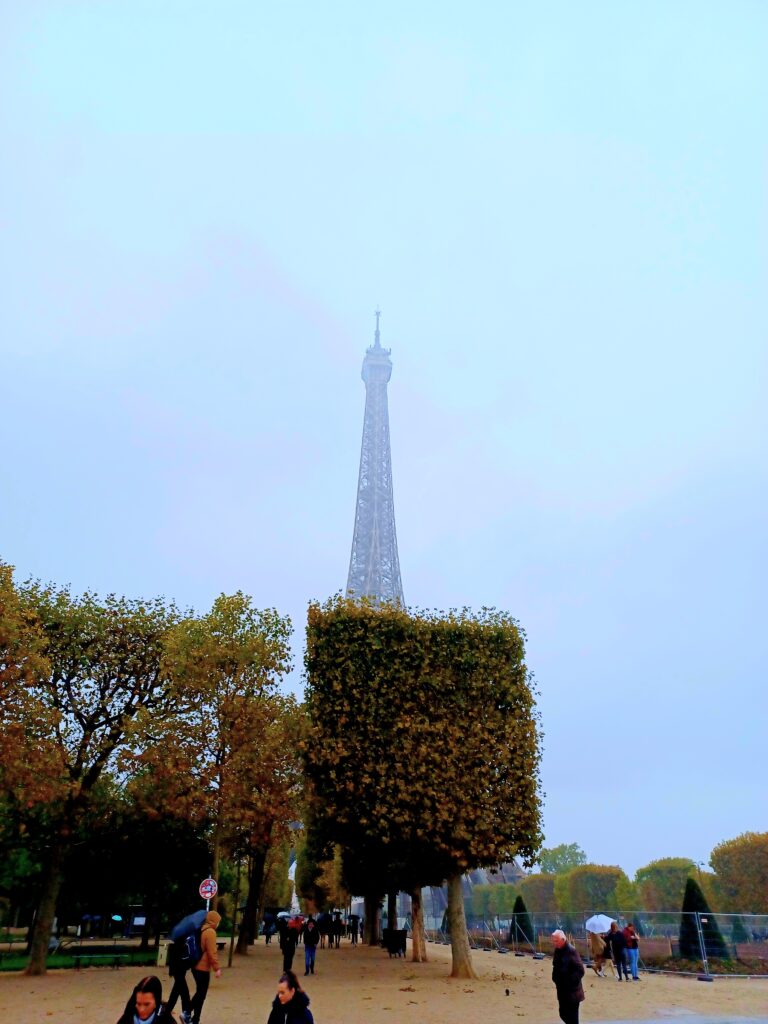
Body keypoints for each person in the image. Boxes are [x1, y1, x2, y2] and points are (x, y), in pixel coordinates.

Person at [190, 910, 222, 1024]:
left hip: (195, 965)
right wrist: (217, 968)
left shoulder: (202, 929)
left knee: (200, 993)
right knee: (201, 994)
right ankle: (187, 1011)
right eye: (218, 921)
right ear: (214, 921)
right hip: (202, 967)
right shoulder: (210, 932)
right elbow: (212, 952)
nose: (218, 924)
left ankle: (195, 1018)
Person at [551, 929, 585, 1024]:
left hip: (573, 992)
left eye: (556, 941)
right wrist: (554, 977)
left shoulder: (571, 951)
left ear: (563, 939)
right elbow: (555, 965)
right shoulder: (558, 950)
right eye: (554, 941)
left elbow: (580, 970)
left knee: (573, 1019)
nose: (555, 943)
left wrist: (570, 982)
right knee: (563, 1014)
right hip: (562, 991)